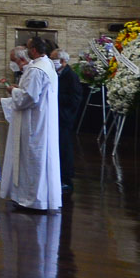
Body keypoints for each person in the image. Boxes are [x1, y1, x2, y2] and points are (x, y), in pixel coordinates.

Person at [0, 36, 62, 212]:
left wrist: (12, 90)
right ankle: (34, 197)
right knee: (37, 159)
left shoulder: (37, 70)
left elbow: (28, 98)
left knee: (31, 159)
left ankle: (30, 199)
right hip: (42, 121)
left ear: (34, 50)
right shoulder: (47, 65)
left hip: (33, 124)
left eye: (28, 47)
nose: (26, 49)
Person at [52, 47, 83, 194]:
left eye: (54, 60)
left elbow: (75, 99)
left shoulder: (71, 76)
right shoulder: (57, 74)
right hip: (57, 116)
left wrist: (54, 96)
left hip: (65, 117)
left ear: (63, 61)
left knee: (64, 148)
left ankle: (66, 180)